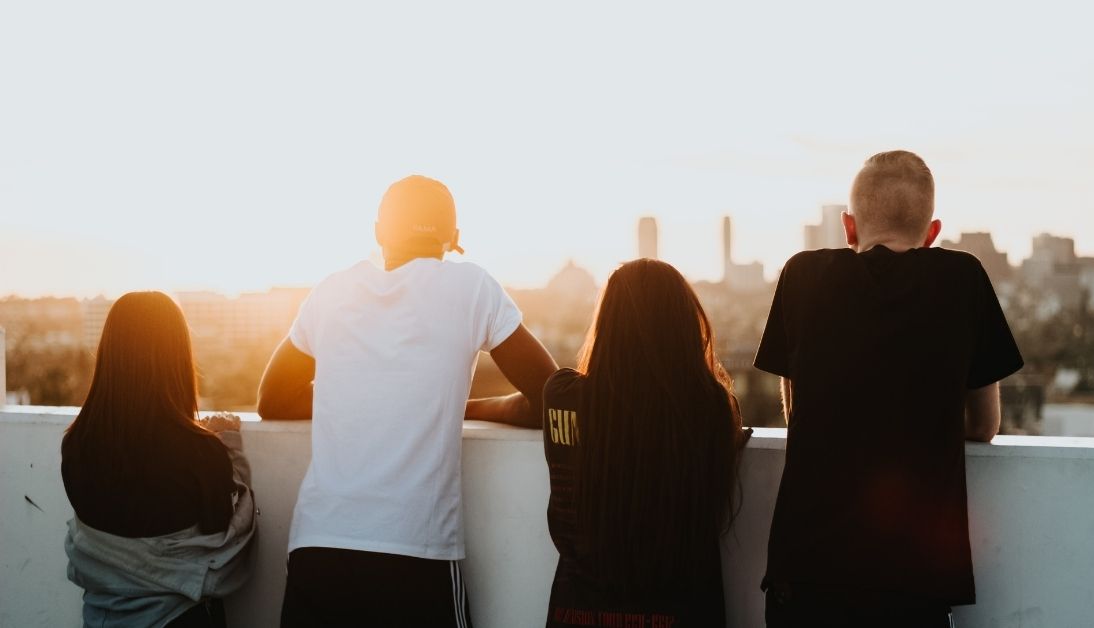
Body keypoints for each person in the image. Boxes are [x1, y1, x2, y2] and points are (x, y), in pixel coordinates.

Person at [258, 174, 558, 627]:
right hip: (416, 553)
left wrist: (356, 390)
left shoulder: (333, 290)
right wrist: (468, 407)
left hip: (320, 548)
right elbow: (553, 396)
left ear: (379, 231)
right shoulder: (472, 288)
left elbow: (272, 400)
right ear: (454, 239)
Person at [754, 150, 1024, 627]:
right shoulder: (963, 278)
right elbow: (983, 425)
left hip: (807, 569)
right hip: (913, 577)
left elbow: (798, 411)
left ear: (848, 227)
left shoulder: (802, 276)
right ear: (933, 233)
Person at [541, 259, 750, 627]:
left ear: (607, 324)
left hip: (577, 614)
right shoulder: (711, 410)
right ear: (683, 324)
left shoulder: (562, 396)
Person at [61, 291, 256, 628]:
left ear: (110, 353)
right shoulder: (199, 453)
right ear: (176, 357)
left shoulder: (76, 446)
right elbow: (223, 539)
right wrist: (229, 449)